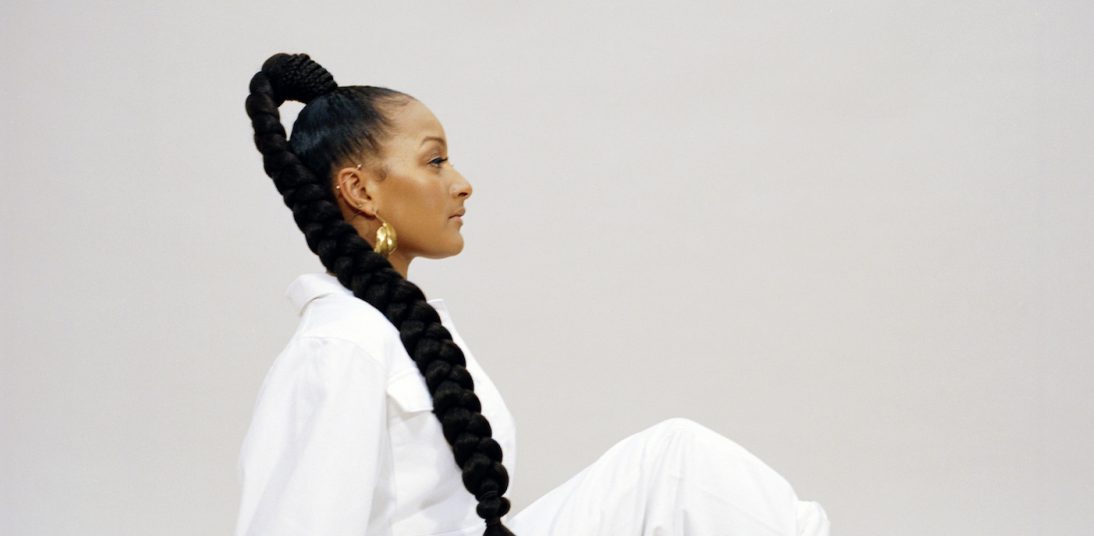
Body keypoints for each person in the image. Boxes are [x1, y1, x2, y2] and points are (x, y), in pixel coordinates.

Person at [239, 52, 830, 536]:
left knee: (677, 467)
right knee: (679, 463)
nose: (461, 184)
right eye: (435, 161)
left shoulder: (397, 330)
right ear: (361, 191)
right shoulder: (341, 347)